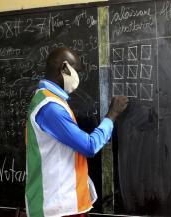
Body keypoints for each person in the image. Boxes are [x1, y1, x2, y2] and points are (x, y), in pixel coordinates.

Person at [25, 47, 128, 217]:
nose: (78, 77)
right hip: (57, 208)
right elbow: (89, 146)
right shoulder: (50, 108)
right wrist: (112, 114)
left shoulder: (49, 100)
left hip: (64, 204)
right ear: (65, 68)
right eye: (77, 70)